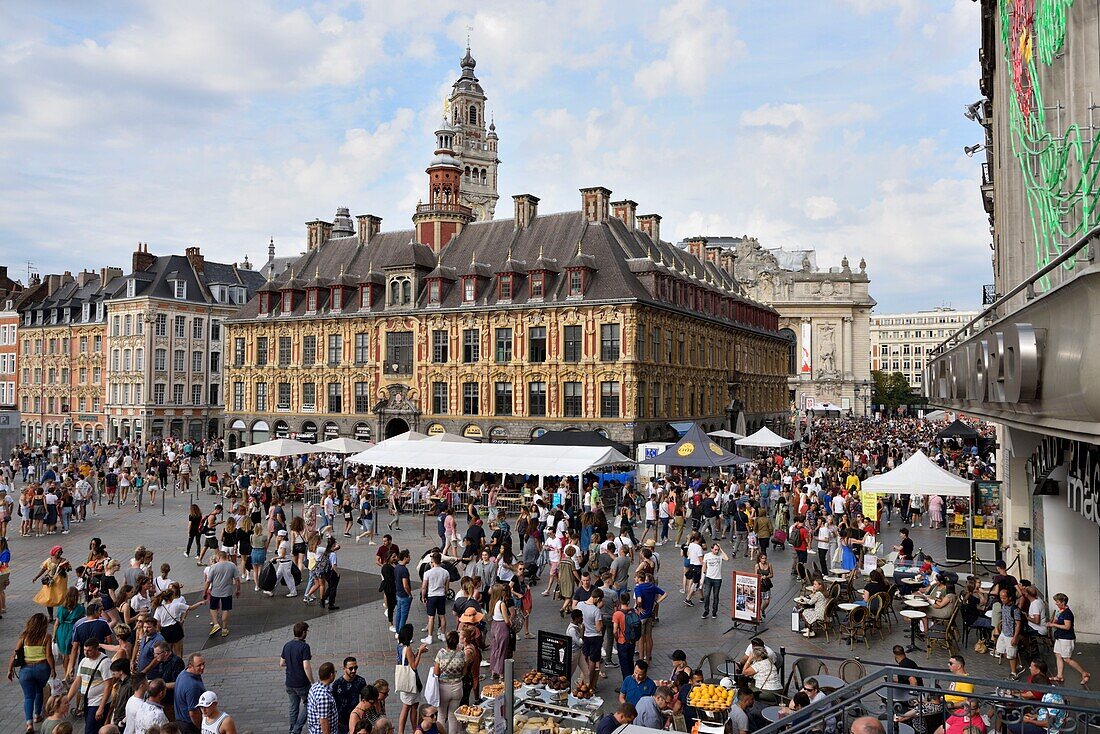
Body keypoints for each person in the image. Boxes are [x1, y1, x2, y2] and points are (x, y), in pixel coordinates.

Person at [8, 612, 57, 732]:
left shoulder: (24, 636)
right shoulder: (47, 636)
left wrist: (9, 670)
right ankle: (37, 715)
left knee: (28, 697)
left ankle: (29, 723)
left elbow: (14, 653)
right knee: (39, 691)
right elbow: (49, 656)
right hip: (42, 668)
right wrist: (53, 669)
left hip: (26, 670)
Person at [65, 638, 112, 734]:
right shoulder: (84, 661)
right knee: (90, 727)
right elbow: (77, 681)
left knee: (90, 730)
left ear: (96, 649)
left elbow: (109, 686)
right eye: (84, 650)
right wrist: (67, 700)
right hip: (87, 701)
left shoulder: (105, 662)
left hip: (98, 702)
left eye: (89, 650)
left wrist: (101, 708)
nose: (86, 653)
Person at [1048, 593, 1090, 685]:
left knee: (1066, 659)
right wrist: (1054, 621)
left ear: (1062, 602)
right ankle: (1059, 676)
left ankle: (1084, 673)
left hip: (1067, 638)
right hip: (1060, 637)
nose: (1056, 603)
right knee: (1058, 655)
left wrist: (1054, 624)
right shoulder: (1061, 611)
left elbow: (1067, 627)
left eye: (1057, 602)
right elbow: (1056, 620)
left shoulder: (1067, 613)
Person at [283, 621, 315, 734]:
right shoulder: (304, 647)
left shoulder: (287, 645)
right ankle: (297, 729)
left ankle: (292, 729)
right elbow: (306, 666)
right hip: (302, 683)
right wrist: (312, 682)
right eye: (306, 631)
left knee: (293, 707)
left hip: (289, 682)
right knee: (309, 703)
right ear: (303, 633)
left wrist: (292, 663)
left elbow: (282, 663)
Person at [396, 624, 428, 734]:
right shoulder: (407, 648)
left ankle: (402, 731)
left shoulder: (399, 646)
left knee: (407, 706)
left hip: (404, 681)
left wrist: (416, 653)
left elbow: (407, 660)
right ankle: (414, 730)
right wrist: (420, 652)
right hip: (411, 682)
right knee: (411, 707)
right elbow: (414, 666)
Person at [433, 631, 467, 734]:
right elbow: (464, 672)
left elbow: (436, 672)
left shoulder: (441, 654)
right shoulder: (461, 654)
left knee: (441, 715)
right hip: (457, 687)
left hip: (443, 688)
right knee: (453, 716)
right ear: (457, 642)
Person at [203, 551, 241, 638]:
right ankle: (224, 629)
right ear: (226, 556)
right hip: (227, 592)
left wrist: (204, 592)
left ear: (219, 557)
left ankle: (216, 624)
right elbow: (237, 579)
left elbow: (208, 581)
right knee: (225, 609)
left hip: (215, 592)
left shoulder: (213, 567)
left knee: (213, 608)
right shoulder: (232, 565)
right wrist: (238, 590)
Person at [632, 571, 666, 663]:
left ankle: (641, 659)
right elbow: (665, 594)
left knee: (641, 638)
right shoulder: (652, 586)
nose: (634, 579)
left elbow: (639, 600)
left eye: (635, 577)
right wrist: (656, 602)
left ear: (639, 578)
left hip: (642, 615)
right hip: (650, 613)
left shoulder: (638, 588)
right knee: (649, 636)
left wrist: (639, 607)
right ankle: (647, 658)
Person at [32, 545, 71, 620]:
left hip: (60, 581)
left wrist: (65, 568)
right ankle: (50, 616)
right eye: (58, 552)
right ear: (54, 552)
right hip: (50, 582)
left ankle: (62, 614)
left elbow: (69, 569)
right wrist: (36, 577)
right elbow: (43, 569)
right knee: (49, 598)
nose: (60, 553)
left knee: (61, 597)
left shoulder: (64, 560)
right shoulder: (48, 560)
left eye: (61, 552)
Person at [421, 553, 450, 645]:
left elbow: (424, 587)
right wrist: (445, 594)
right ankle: (443, 634)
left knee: (431, 617)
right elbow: (447, 587)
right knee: (442, 616)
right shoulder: (445, 572)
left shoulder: (427, 573)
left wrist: (423, 597)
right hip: (441, 595)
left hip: (432, 596)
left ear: (432, 561)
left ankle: (429, 637)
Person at [173, 653, 207, 734]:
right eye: (199, 665)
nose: (202, 667)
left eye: (203, 664)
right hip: (190, 724)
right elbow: (193, 713)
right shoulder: (192, 686)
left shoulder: (183, 673)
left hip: (181, 719)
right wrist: (201, 729)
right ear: (190, 666)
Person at [995, 588, 1024, 679]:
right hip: (1004, 632)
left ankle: (1014, 672)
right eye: (1001, 598)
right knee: (1000, 650)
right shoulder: (1003, 606)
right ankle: (1016, 666)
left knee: (1011, 655)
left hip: (1011, 635)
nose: (1002, 600)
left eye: (1004, 598)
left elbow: (1018, 624)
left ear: (1010, 598)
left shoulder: (1015, 610)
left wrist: (1015, 637)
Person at [332, 657, 366, 734]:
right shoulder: (337, 684)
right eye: (351, 668)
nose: (354, 671)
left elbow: (364, 701)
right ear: (344, 668)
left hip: (356, 719)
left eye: (355, 668)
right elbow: (333, 703)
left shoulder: (361, 681)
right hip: (341, 721)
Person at [308, 662, 339, 734]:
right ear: (331, 675)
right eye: (335, 672)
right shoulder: (323, 697)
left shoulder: (315, 686)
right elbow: (323, 721)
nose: (335, 674)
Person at [700, 542, 729, 619]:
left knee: (716, 596)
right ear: (711, 549)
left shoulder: (720, 555)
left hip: (717, 579)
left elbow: (727, 558)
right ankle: (706, 610)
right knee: (706, 595)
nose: (716, 551)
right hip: (708, 578)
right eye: (715, 549)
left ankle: (714, 612)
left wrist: (721, 549)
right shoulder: (707, 556)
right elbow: (704, 567)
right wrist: (702, 577)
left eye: (717, 550)